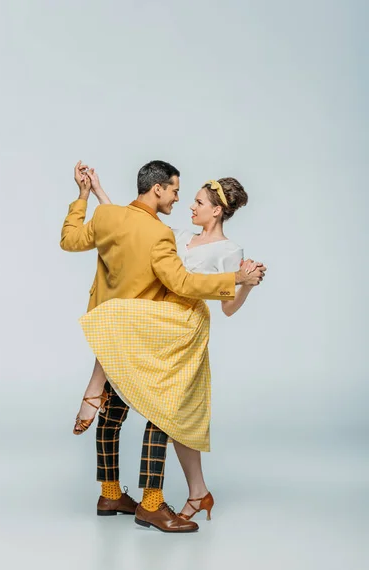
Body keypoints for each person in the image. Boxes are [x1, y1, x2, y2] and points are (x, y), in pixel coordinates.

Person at [61, 160, 265, 533]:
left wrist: (243, 281)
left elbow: (226, 305)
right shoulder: (176, 233)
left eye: (198, 201)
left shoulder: (229, 249)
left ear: (217, 210)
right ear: (158, 190)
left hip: (181, 330)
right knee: (121, 395)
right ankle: (115, 491)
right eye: (179, 192)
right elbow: (132, 222)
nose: (187, 202)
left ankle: (152, 503)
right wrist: (100, 194)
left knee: (163, 412)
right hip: (154, 322)